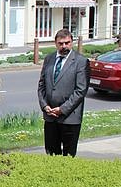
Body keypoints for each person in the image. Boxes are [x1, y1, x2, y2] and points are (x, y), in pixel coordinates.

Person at [38, 28, 90, 156]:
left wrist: (62, 109)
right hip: (50, 117)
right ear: (55, 43)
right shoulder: (49, 59)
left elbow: (81, 90)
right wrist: (45, 106)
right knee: (51, 154)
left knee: (68, 156)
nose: (64, 46)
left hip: (70, 117)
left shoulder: (81, 61)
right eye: (61, 43)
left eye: (67, 43)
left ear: (72, 42)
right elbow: (41, 85)